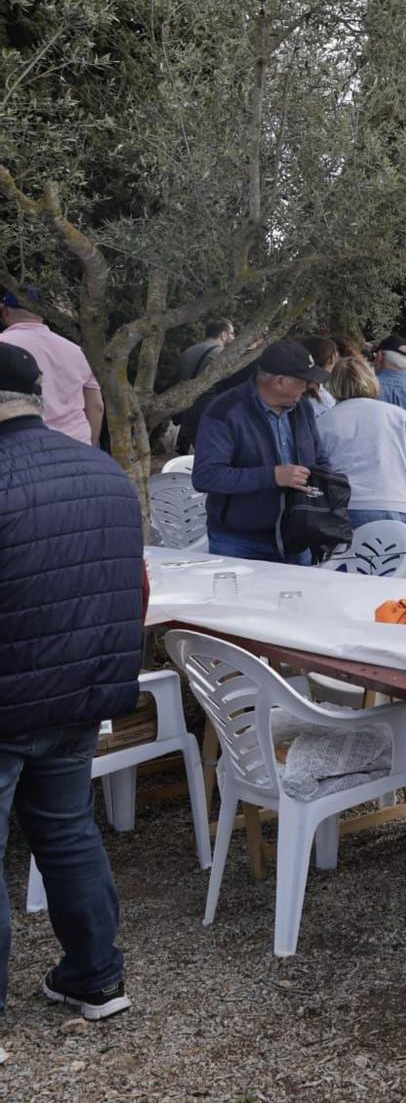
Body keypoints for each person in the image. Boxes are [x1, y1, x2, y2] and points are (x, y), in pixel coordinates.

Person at [0, 341, 142, 1022]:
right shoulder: (105, 472)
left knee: (61, 835)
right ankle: (96, 977)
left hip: (10, 699)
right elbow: (130, 587)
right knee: (67, 832)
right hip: (80, 692)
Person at [192, 340, 328, 562]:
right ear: (280, 382)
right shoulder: (224, 411)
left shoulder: (303, 408)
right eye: (304, 380)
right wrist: (273, 476)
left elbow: (319, 459)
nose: (310, 387)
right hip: (238, 541)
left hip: (297, 535)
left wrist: (323, 486)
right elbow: (206, 476)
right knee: (237, 598)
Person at [315, 357, 406, 539]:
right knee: (404, 566)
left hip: (346, 507)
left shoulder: (323, 422)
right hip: (400, 507)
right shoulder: (399, 416)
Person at [0, 285, 101, 445]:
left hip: (21, 448)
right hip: (76, 444)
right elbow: (96, 405)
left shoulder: (3, 346)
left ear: (4, 310)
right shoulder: (75, 350)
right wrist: (92, 444)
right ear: (43, 312)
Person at [178, 318, 235, 384]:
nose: (234, 338)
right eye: (232, 334)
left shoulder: (188, 351)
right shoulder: (222, 354)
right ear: (224, 335)